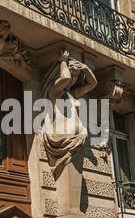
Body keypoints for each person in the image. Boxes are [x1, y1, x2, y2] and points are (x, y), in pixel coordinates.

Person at [40, 50, 97, 180]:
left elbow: (92, 84)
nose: (74, 78)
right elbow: (65, 78)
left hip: (76, 139)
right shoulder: (54, 90)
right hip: (62, 140)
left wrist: (86, 69)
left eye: (77, 76)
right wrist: (63, 62)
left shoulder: (73, 93)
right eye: (73, 74)